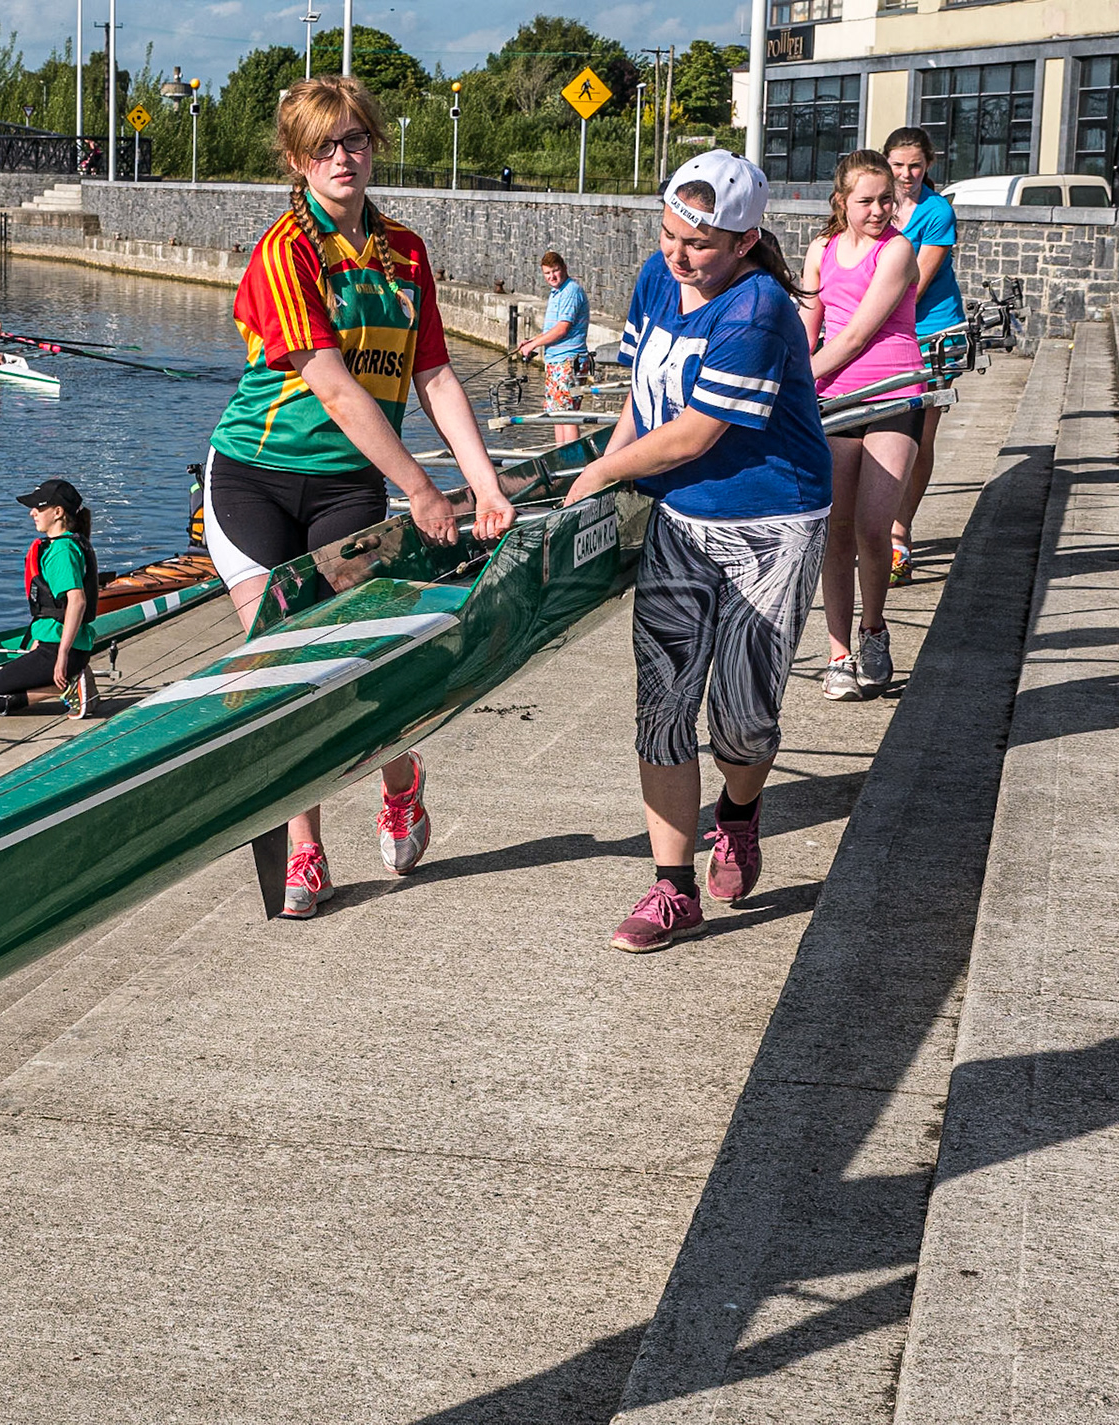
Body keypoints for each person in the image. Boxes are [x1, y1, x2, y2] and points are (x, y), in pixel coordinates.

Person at [203, 75, 516, 920]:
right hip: (252, 474)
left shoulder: (406, 253)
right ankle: (306, 850)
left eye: (355, 140)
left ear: (374, 145)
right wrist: (420, 486)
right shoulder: (286, 250)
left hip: (346, 482)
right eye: (323, 146)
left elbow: (435, 373)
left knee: (359, 659)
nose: (342, 157)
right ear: (297, 161)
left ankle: (401, 778)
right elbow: (334, 385)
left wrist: (482, 485)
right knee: (281, 666)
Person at [562, 150, 831, 954]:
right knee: (664, 703)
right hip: (680, 515)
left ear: (746, 242)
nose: (679, 255)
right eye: (671, 234)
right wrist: (605, 476)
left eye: (700, 245)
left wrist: (609, 468)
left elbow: (697, 432)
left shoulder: (755, 310)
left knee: (742, 722)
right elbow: (644, 406)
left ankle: (741, 810)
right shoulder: (656, 276)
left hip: (770, 523)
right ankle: (671, 887)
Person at [799, 148, 922, 702]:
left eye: (886, 200)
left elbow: (853, 338)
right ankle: (838, 654)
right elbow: (810, 325)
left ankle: (874, 632)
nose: (878, 210)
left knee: (874, 527)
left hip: (892, 392)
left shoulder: (897, 251)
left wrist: (793, 382)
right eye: (866, 200)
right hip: (834, 399)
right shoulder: (820, 250)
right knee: (835, 531)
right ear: (841, 201)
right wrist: (788, 370)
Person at [884, 126, 966, 586]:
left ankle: (900, 531)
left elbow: (916, 284)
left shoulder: (937, 212)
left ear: (928, 166)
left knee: (918, 434)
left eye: (915, 165)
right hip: (881, 333)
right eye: (897, 165)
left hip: (931, 332)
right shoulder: (877, 207)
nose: (906, 174)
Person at [0, 478, 99, 718]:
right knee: (8, 679)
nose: (32, 513)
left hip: (61, 651)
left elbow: (77, 601)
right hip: (58, 646)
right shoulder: (64, 545)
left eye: (39, 508)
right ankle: (73, 680)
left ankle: (66, 685)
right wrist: (41, 639)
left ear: (58, 512)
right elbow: (55, 607)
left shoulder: (61, 551)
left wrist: (61, 654)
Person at [515, 250, 590, 446]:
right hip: (556, 362)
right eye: (547, 274)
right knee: (557, 413)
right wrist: (530, 341)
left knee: (567, 413)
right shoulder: (556, 293)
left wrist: (534, 344)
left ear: (564, 268)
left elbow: (562, 329)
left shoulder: (571, 291)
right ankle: (561, 456)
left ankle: (573, 461)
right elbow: (551, 330)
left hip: (569, 361)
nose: (552, 277)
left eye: (555, 271)